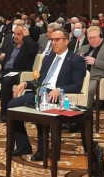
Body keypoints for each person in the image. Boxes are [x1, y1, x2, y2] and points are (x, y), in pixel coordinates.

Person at [5, 28, 86, 161]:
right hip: (41, 93)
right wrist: (25, 84)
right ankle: (23, 145)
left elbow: (77, 85)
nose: (53, 43)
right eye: (51, 40)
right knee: (12, 105)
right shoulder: (48, 58)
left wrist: (59, 89)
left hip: (58, 96)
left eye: (57, 40)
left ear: (66, 41)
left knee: (42, 109)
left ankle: (42, 149)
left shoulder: (76, 60)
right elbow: (40, 81)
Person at [0, 24, 38, 121]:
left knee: (6, 81)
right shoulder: (11, 45)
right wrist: (0, 64)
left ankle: (5, 114)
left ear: (25, 35)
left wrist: (27, 37)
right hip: (6, 71)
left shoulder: (30, 46)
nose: (16, 36)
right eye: (15, 34)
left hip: (19, 72)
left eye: (19, 34)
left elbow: (32, 51)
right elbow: (6, 60)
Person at [80, 26, 104, 103]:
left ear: (101, 36)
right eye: (89, 38)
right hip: (81, 76)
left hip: (98, 78)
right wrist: (79, 59)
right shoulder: (83, 48)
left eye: (94, 38)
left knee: (88, 89)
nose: (92, 40)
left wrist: (95, 62)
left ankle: (85, 109)